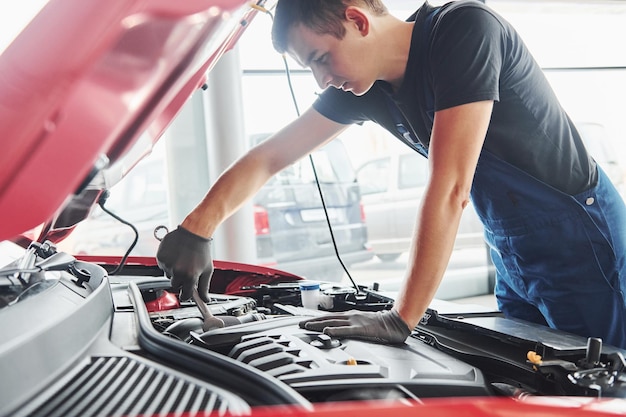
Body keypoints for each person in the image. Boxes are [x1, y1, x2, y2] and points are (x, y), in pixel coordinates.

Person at [156, 0, 626, 348]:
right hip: (510, 247)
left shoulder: (464, 31)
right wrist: (196, 228)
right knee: (528, 374)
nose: (321, 80)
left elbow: (450, 190)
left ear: (357, 19)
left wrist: (401, 319)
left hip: (580, 238)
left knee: (600, 383)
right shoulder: (366, 87)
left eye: (320, 58)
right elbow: (270, 156)